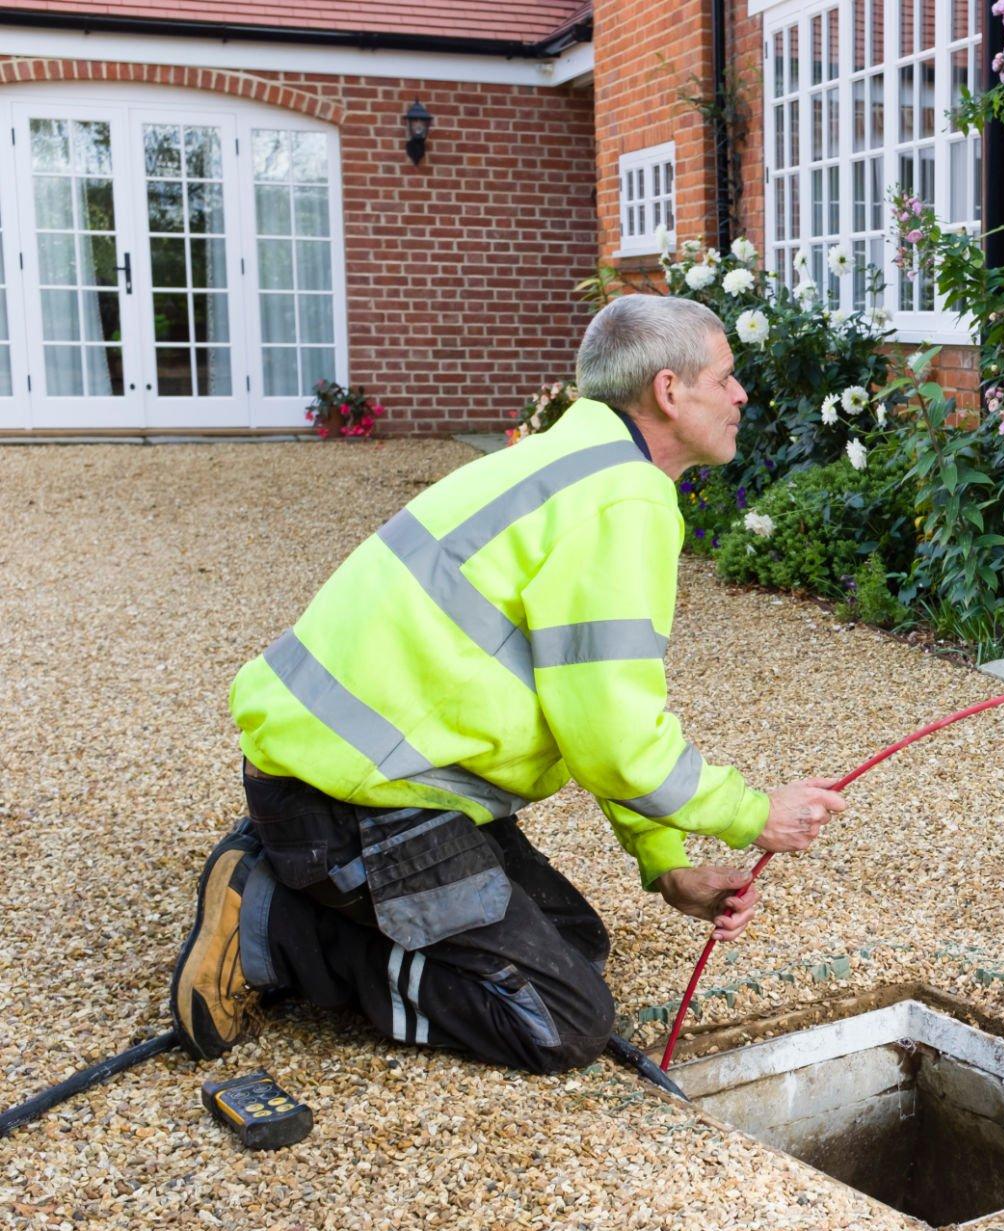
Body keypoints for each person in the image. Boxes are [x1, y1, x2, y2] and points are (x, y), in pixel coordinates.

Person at [168, 296, 847, 1072]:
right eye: (726, 378)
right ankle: (280, 923)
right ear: (668, 391)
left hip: (351, 775)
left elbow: (588, 709)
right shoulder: (624, 499)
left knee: (576, 945)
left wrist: (665, 862)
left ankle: (285, 868)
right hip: (354, 802)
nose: (741, 396)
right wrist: (754, 814)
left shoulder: (571, 465)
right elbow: (617, 740)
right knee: (557, 1019)